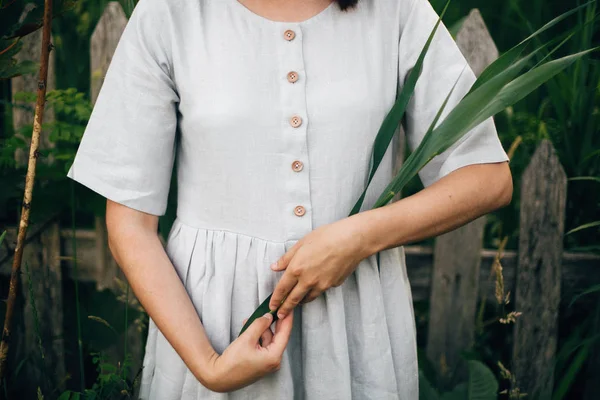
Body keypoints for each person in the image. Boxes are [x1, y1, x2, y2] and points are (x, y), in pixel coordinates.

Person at [67, 0, 513, 398]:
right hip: (212, 329)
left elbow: (487, 177)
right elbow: (130, 225)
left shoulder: (396, 11)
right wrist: (210, 367)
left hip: (356, 327)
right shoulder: (170, 12)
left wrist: (359, 236)